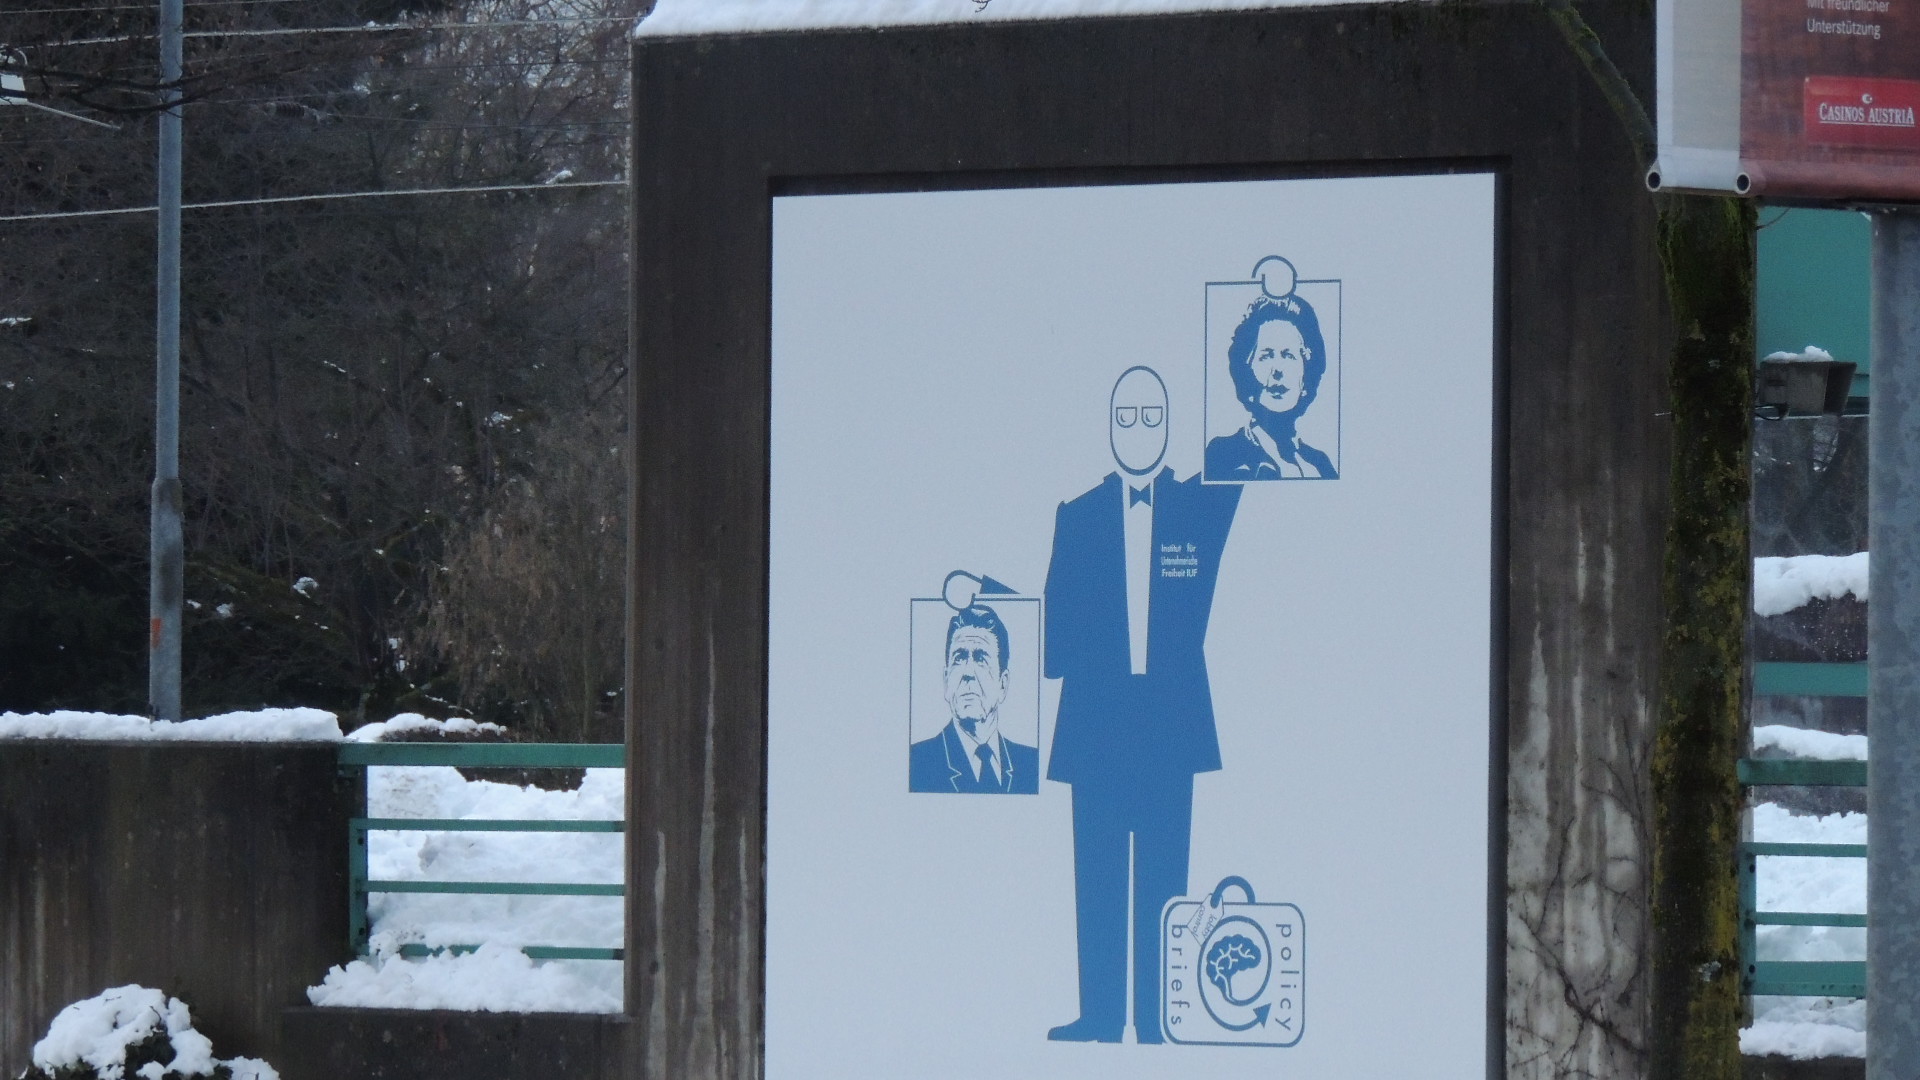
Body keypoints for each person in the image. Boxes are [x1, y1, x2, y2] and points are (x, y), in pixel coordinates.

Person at [1044, 366, 1240, 1044]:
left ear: (1170, 426)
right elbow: (1052, 641)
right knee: (1098, 875)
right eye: (1125, 417)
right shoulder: (1077, 515)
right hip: (1096, 721)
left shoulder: (1196, 506)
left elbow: (1242, 456)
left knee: (1164, 877)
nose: (1138, 430)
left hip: (1168, 722)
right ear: (1108, 427)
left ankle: (1157, 1020)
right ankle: (1101, 1016)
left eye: (1151, 417)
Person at [1204, 293, 1338, 480]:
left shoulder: (1320, 464)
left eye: (1288, 355)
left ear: (1306, 372)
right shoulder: (1224, 453)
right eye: (1266, 356)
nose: (1277, 370)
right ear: (1246, 369)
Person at [908, 603, 1039, 794]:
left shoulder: (1032, 765)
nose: (968, 672)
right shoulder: (917, 763)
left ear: (1003, 684)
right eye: (959, 658)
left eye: (981, 659)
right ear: (946, 680)